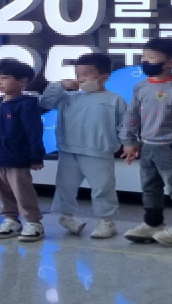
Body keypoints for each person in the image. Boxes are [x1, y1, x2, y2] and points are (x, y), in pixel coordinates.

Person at [121, 38, 172, 247]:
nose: (146, 61)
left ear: (171, 62)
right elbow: (131, 115)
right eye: (144, 57)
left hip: (170, 147)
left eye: (152, 57)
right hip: (147, 146)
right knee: (149, 187)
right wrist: (129, 140)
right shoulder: (141, 87)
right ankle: (152, 223)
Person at [41, 53, 126, 239]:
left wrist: (128, 143)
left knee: (103, 187)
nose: (81, 79)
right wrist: (60, 86)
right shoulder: (68, 98)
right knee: (65, 187)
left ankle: (107, 221)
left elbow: (125, 125)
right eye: (78, 74)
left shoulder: (115, 99)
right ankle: (66, 217)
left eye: (87, 74)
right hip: (68, 150)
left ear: (104, 77)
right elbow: (45, 102)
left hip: (99, 151)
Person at [0, 59, 46, 242]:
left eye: (4, 78)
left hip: (17, 158)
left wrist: (36, 156)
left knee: (22, 190)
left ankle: (33, 222)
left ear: (22, 80)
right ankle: (11, 219)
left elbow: (34, 132)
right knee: (2, 190)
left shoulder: (26, 104)